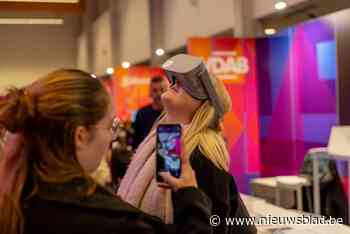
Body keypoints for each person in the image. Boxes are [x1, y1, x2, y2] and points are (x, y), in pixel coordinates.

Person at [0, 69, 213, 234]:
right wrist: (189, 194)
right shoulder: (113, 223)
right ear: (80, 136)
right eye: (110, 126)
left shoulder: (15, 200)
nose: (111, 137)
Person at [118, 54, 257, 234]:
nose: (175, 83)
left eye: (186, 83)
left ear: (204, 104)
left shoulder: (202, 155)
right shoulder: (163, 142)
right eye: (174, 80)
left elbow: (216, 225)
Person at [132, 76, 167, 150]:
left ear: (167, 91)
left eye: (162, 90)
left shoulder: (174, 112)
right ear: (150, 93)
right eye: (155, 90)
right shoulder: (141, 114)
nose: (159, 94)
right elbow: (136, 141)